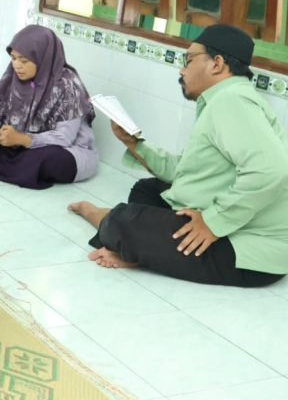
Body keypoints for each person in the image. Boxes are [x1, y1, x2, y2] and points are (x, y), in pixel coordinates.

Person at [69, 24, 288, 287]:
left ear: (217, 64)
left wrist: (212, 222)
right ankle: (144, 250)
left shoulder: (231, 101)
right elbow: (184, 170)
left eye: (189, 60)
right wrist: (134, 144)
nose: (181, 70)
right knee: (148, 190)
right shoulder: (224, 99)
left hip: (249, 250)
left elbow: (271, 170)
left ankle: (104, 219)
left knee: (123, 222)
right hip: (235, 224)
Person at [0, 25, 97, 189]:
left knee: (45, 161)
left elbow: (64, 138)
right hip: (16, 144)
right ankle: (15, 170)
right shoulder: (13, 76)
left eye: (24, 60)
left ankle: (7, 166)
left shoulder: (68, 85)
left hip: (62, 149)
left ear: (42, 57)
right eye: (13, 58)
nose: (16, 65)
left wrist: (23, 139)